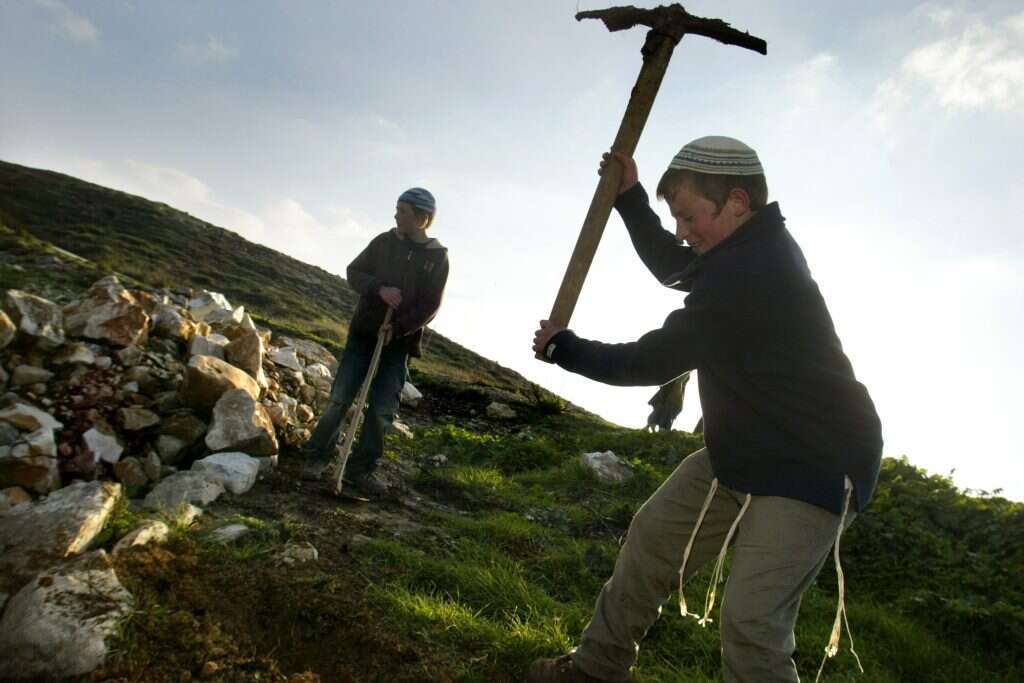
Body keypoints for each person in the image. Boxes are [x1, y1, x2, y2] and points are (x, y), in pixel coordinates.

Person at [529, 137, 882, 682]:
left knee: (752, 624)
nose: (681, 231)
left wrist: (564, 349)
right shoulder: (739, 250)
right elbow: (676, 266)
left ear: (736, 202)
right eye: (677, 218)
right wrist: (630, 197)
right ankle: (595, 670)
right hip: (742, 449)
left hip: (815, 462)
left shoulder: (755, 271)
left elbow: (653, 360)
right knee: (652, 542)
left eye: (689, 217)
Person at [300, 187, 449, 497]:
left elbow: (431, 305)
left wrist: (399, 328)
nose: (396, 216)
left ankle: (360, 470)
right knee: (341, 397)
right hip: (364, 333)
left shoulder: (437, 257)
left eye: (403, 211)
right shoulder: (384, 242)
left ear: (423, 218)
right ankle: (317, 456)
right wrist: (379, 289)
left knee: (381, 408)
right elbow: (354, 272)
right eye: (397, 209)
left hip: (398, 343)